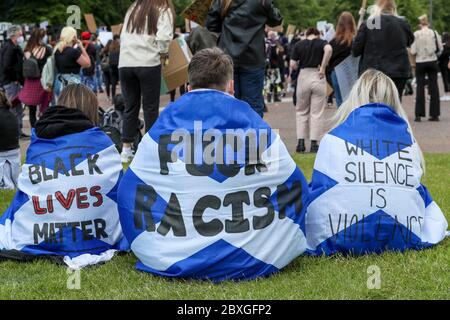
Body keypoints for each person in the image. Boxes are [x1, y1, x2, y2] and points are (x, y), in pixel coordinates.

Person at [117, 48, 310, 282]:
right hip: (254, 255)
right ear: (231, 86)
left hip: (174, 252)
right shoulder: (256, 126)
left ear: (188, 88)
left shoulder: (164, 126)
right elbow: (295, 184)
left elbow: (130, 190)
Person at [306, 69, 448, 256]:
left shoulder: (333, 138)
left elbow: (320, 188)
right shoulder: (409, 142)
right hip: (403, 233)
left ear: (355, 96)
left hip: (335, 234)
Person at [0, 84, 129, 268]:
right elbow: (120, 195)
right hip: (100, 238)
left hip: (40, 233)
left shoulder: (39, 143)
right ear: (92, 110)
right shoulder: (103, 143)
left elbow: (27, 193)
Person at [119, 0, 175, 163]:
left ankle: (126, 148)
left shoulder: (133, 7)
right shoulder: (162, 8)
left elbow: (123, 34)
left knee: (130, 106)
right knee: (150, 108)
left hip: (126, 62)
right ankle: (149, 149)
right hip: (148, 62)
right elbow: (164, 37)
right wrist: (163, 54)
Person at [206, 0, 283, 117]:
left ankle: (231, 134)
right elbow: (276, 19)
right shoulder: (262, 2)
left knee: (228, 102)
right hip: (253, 57)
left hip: (227, 57)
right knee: (253, 103)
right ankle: (253, 134)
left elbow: (211, 25)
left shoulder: (222, 1)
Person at [352, 0, 414, 100]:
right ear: (393, 7)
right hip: (398, 72)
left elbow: (355, 50)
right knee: (394, 106)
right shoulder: (402, 23)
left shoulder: (372, 22)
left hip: (374, 72)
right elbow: (410, 41)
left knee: (374, 105)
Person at [289, 27, 333, 154]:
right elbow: (329, 49)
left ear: (307, 34)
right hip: (318, 75)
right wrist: (323, 67)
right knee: (317, 112)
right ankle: (314, 143)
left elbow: (292, 64)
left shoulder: (298, 45)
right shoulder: (321, 43)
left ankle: (301, 143)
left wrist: (297, 65)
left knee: (301, 111)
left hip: (303, 76)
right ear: (317, 35)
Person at [411, 15, 443, 122]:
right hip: (432, 60)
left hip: (420, 61)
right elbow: (440, 48)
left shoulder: (416, 34)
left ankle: (419, 115)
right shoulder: (434, 33)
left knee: (420, 87)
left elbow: (413, 51)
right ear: (428, 23)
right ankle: (435, 114)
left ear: (419, 24)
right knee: (434, 86)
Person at [18, 28, 52, 128]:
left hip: (29, 80)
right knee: (44, 105)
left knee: (32, 108)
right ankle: (43, 127)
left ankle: (34, 129)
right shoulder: (46, 48)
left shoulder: (27, 48)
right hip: (41, 79)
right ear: (42, 37)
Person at [0, 25, 27, 139]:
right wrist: (15, 78)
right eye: (20, 34)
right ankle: (14, 131)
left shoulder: (11, 46)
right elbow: (7, 66)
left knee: (17, 107)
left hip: (12, 81)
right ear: (14, 35)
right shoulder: (10, 48)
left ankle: (18, 130)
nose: (22, 37)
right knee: (13, 107)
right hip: (11, 81)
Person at [328, 12, 357, 108]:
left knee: (340, 104)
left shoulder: (333, 42)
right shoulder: (355, 41)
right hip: (352, 73)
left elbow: (329, 61)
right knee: (354, 102)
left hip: (336, 73)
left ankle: (342, 122)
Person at [54, 26, 91, 98]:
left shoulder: (57, 50)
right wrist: (81, 47)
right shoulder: (73, 52)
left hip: (59, 81)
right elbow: (88, 63)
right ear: (73, 37)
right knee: (73, 106)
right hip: (72, 82)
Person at [0, 89, 20, 189]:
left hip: (3, 154)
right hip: (15, 152)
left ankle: (6, 184)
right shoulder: (11, 114)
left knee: (7, 186)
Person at [102, 36, 120, 101]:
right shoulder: (115, 49)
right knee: (113, 83)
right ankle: (113, 97)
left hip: (105, 67)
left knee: (107, 82)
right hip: (112, 67)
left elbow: (100, 55)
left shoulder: (105, 49)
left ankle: (108, 97)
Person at [438, 32, 450, 101]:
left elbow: (442, 55)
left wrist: (438, 58)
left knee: (445, 79)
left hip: (444, 64)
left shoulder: (444, 45)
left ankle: (446, 95)